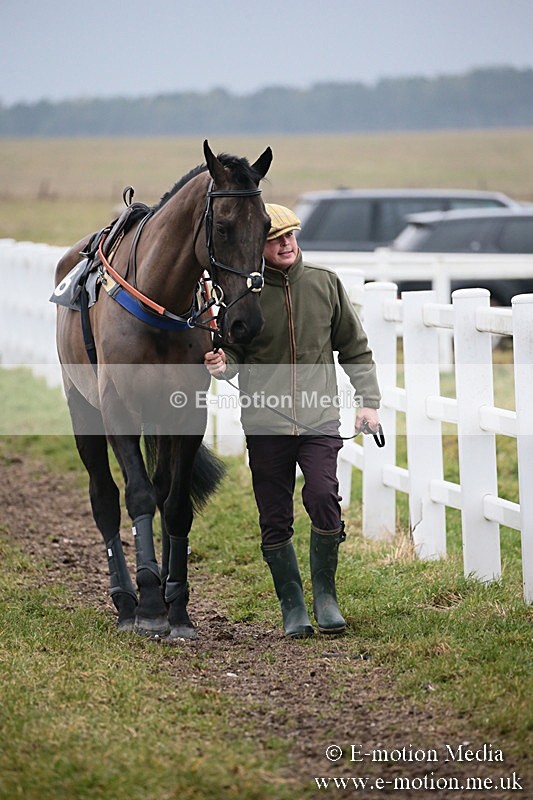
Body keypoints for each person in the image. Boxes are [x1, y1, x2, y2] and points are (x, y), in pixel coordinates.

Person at [204, 203, 380, 638]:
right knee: (274, 515)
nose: (286, 244)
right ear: (258, 246)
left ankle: (326, 598)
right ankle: (293, 607)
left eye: (291, 235)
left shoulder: (324, 283)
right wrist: (221, 363)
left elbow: (355, 349)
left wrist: (368, 402)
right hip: (266, 424)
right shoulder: (245, 295)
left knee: (323, 497)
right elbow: (235, 357)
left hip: (320, 420)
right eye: (275, 238)